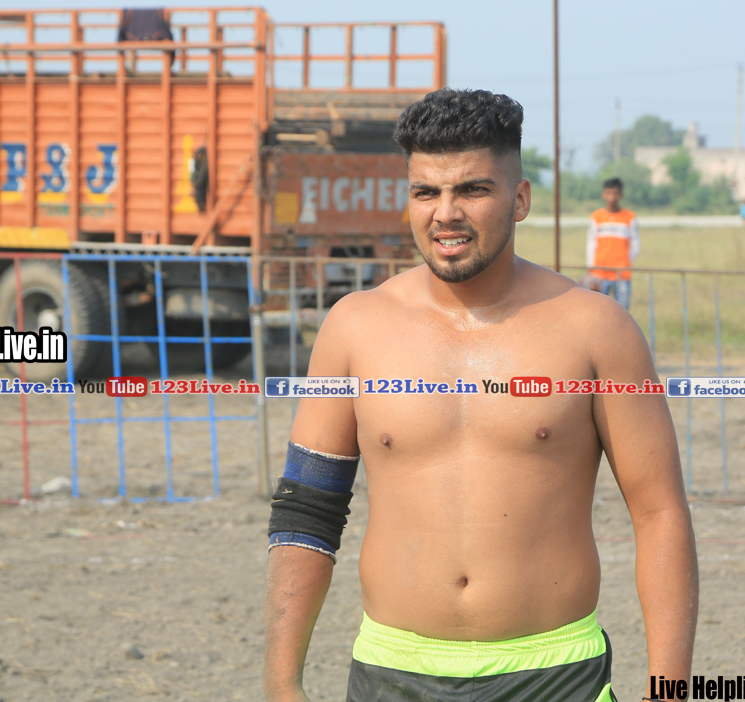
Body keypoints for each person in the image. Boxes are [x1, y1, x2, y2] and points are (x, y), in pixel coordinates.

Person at [263, 89, 698, 702]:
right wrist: (282, 683)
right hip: (392, 672)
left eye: (472, 189)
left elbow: (659, 513)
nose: (446, 213)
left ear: (519, 199)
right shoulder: (354, 329)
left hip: (554, 675)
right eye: (425, 192)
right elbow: (307, 511)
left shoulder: (597, 330)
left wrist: (669, 692)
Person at [584, 178, 640, 310]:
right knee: (598, 311)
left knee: (623, 311)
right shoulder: (597, 217)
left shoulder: (629, 217)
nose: (611, 197)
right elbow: (591, 243)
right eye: (608, 193)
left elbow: (636, 244)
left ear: (620, 195)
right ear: (603, 194)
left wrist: (626, 263)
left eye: (615, 193)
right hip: (600, 273)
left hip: (621, 274)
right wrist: (591, 269)